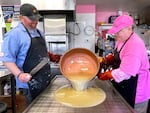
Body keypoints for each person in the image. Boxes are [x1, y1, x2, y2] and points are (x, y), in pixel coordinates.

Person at [0, 3, 52, 105]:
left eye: (37, 19)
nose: (35, 22)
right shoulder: (14, 35)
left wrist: (52, 57)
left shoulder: (40, 33)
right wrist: (19, 74)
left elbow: (42, 55)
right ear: (21, 18)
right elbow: (7, 59)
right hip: (29, 84)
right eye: (32, 19)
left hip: (45, 80)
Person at [97, 15, 150, 113]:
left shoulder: (135, 45)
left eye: (118, 31)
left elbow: (125, 73)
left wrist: (107, 75)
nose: (115, 34)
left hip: (135, 92)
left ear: (129, 28)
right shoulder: (122, 39)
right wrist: (110, 58)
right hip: (123, 86)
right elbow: (120, 55)